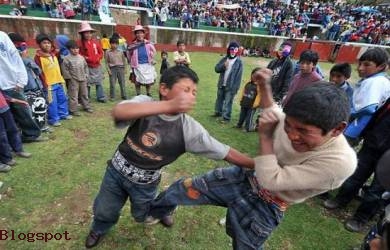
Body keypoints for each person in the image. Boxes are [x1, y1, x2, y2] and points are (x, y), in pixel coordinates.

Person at [149, 69, 357, 249]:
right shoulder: (297, 121)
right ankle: (158, 210)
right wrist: (265, 85)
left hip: (268, 204)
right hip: (245, 177)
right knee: (185, 187)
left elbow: (272, 180)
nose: (292, 135)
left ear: (337, 129)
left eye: (303, 131)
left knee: (245, 245)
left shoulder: (340, 162)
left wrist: (265, 137)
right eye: (289, 126)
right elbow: (272, 111)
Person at [84, 66, 254, 248]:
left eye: (194, 93)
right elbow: (119, 112)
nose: (191, 96)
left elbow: (224, 151)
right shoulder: (145, 103)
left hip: (145, 183)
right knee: (105, 209)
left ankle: (164, 208)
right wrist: (168, 105)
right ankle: (99, 228)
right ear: (164, 89)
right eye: (186, 90)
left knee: (143, 215)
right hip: (115, 173)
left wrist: (256, 164)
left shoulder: (188, 129)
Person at [324, 96, 390, 232]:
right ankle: (341, 200)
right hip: (372, 144)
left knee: (377, 190)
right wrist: (364, 133)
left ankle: (361, 218)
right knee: (356, 175)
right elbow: (377, 116)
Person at [0, 31, 46, 143]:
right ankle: (9, 142)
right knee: (5, 116)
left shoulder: (3, 37)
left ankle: (31, 134)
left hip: (12, 83)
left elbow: (16, 59)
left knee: (23, 111)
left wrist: (21, 81)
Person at [342, 48, 390, 142]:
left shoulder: (374, 82)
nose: (360, 68)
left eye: (367, 65)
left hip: (357, 125)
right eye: (360, 64)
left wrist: (348, 113)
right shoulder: (381, 79)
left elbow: (369, 108)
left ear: (381, 66)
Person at [8, 32, 50, 132]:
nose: (23, 50)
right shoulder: (19, 61)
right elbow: (37, 69)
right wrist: (24, 59)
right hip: (27, 89)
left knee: (40, 106)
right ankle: (36, 127)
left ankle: (43, 125)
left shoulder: (26, 59)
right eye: (20, 47)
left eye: (24, 46)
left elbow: (38, 71)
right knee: (32, 109)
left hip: (35, 86)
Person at [34, 33, 72, 127]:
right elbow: (39, 72)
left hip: (59, 81)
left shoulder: (53, 54)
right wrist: (44, 83)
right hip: (49, 84)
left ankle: (64, 114)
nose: (47, 45)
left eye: (48, 43)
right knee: (52, 103)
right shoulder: (38, 57)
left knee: (62, 99)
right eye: (44, 43)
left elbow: (57, 48)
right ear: (40, 45)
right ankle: (54, 119)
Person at [212, 41, 243, 123]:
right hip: (222, 84)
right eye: (231, 49)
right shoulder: (224, 59)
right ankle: (218, 112)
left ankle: (226, 118)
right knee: (219, 99)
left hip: (231, 86)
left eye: (235, 49)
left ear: (237, 51)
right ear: (229, 49)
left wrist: (235, 88)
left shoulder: (239, 62)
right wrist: (223, 66)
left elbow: (238, 77)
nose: (233, 51)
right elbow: (216, 69)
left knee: (228, 102)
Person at [0, 90, 32, 169]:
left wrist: (17, 100)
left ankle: (19, 150)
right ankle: (6, 158)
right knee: (1, 135)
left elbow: (3, 94)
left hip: (4, 108)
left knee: (13, 129)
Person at [61, 40, 93, 116]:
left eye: (77, 48)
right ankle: (73, 110)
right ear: (69, 49)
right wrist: (69, 78)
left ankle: (86, 106)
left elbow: (85, 66)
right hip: (73, 80)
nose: (76, 50)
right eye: (73, 49)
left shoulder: (81, 57)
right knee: (73, 95)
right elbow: (65, 70)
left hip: (83, 79)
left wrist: (86, 74)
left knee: (84, 93)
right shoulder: (66, 59)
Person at [77, 21, 107, 103]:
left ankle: (101, 97)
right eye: (86, 33)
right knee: (87, 83)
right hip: (86, 66)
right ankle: (87, 98)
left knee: (99, 82)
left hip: (97, 65)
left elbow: (101, 52)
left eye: (89, 33)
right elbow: (78, 54)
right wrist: (86, 58)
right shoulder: (79, 43)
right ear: (82, 34)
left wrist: (98, 58)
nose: (88, 35)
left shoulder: (96, 42)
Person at [127, 25, 157, 97]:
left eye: (141, 33)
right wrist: (130, 61)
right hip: (137, 65)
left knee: (148, 80)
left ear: (144, 34)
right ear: (135, 34)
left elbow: (154, 51)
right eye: (137, 33)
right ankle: (138, 93)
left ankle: (148, 92)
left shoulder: (148, 43)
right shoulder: (133, 45)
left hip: (148, 64)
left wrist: (152, 58)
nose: (139, 34)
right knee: (137, 80)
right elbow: (128, 53)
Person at [234, 67, 261, 132]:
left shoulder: (259, 86)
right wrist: (241, 99)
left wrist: (255, 104)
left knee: (249, 118)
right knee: (242, 115)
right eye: (253, 74)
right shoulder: (248, 83)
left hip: (252, 106)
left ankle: (248, 128)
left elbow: (259, 96)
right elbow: (243, 91)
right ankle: (239, 124)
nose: (254, 76)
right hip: (244, 103)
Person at [105, 36, 127, 101]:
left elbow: (124, 61)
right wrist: (108, 70)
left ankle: (124, 95)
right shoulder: (107, 52)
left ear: (118, 44)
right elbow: (106, 62)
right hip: (112, 69)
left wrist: (125, 69)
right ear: (110, 44)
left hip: (120, 68)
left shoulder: (121, 52)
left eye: (116, 44)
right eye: (112, 43)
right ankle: (112, 96)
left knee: (122, 82)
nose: (114, 45)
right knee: (112, 83)